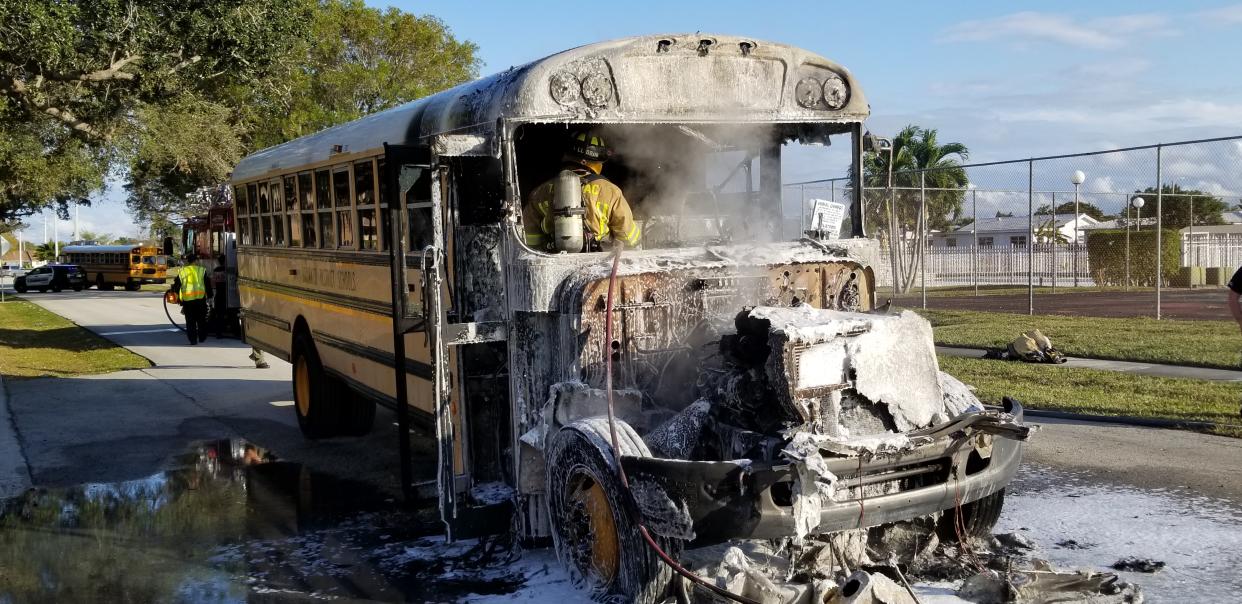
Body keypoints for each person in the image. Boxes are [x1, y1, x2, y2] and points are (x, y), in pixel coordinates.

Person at [522, 129, 641, 252]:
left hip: (554, 260)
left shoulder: (541, 192)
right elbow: (628, 236)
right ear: (590, 162)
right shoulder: (610, 190)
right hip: (598, 262)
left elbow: (530, 239)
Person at [172, 253, 211, 345]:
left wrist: (177, 297)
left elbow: (177, 286)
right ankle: (202, 337)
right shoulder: (202, 270)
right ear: (196, 261)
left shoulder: (182, 271)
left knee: (190, 321)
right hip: (200, 300)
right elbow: (207, 284)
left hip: (188, 301)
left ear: (188, 261)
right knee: (201, 320)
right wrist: (210, 296)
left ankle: (193, 340)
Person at [211, 254, 228, 338]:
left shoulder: (216, 270)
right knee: (229, 314)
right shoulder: (227, 270)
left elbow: (213, 283)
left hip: (218, 293)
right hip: (226, 293)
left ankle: (218, 333)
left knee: (219, 315)